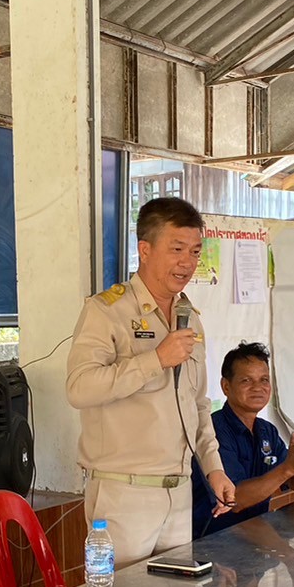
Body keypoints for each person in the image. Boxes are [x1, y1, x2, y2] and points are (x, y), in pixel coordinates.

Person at [66, 196, 236, 567]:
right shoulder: (106, 311)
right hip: (123, 493)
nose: (187, 262)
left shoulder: (189, 317)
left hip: (180, 491)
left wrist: (214, 467)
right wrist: (155, 360)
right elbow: (80, 388)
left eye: (195, 251)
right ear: (145, 250)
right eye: (177, 249)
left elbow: (197, 403)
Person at [191, 342, 294, 539]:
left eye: (264, 380)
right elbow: (236, 500)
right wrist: (289, 467)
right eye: (246, 380)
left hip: (256, 535)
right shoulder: (213, 431)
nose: (258, 388)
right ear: (226, 386)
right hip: (214, 540)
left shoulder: (266, 430)